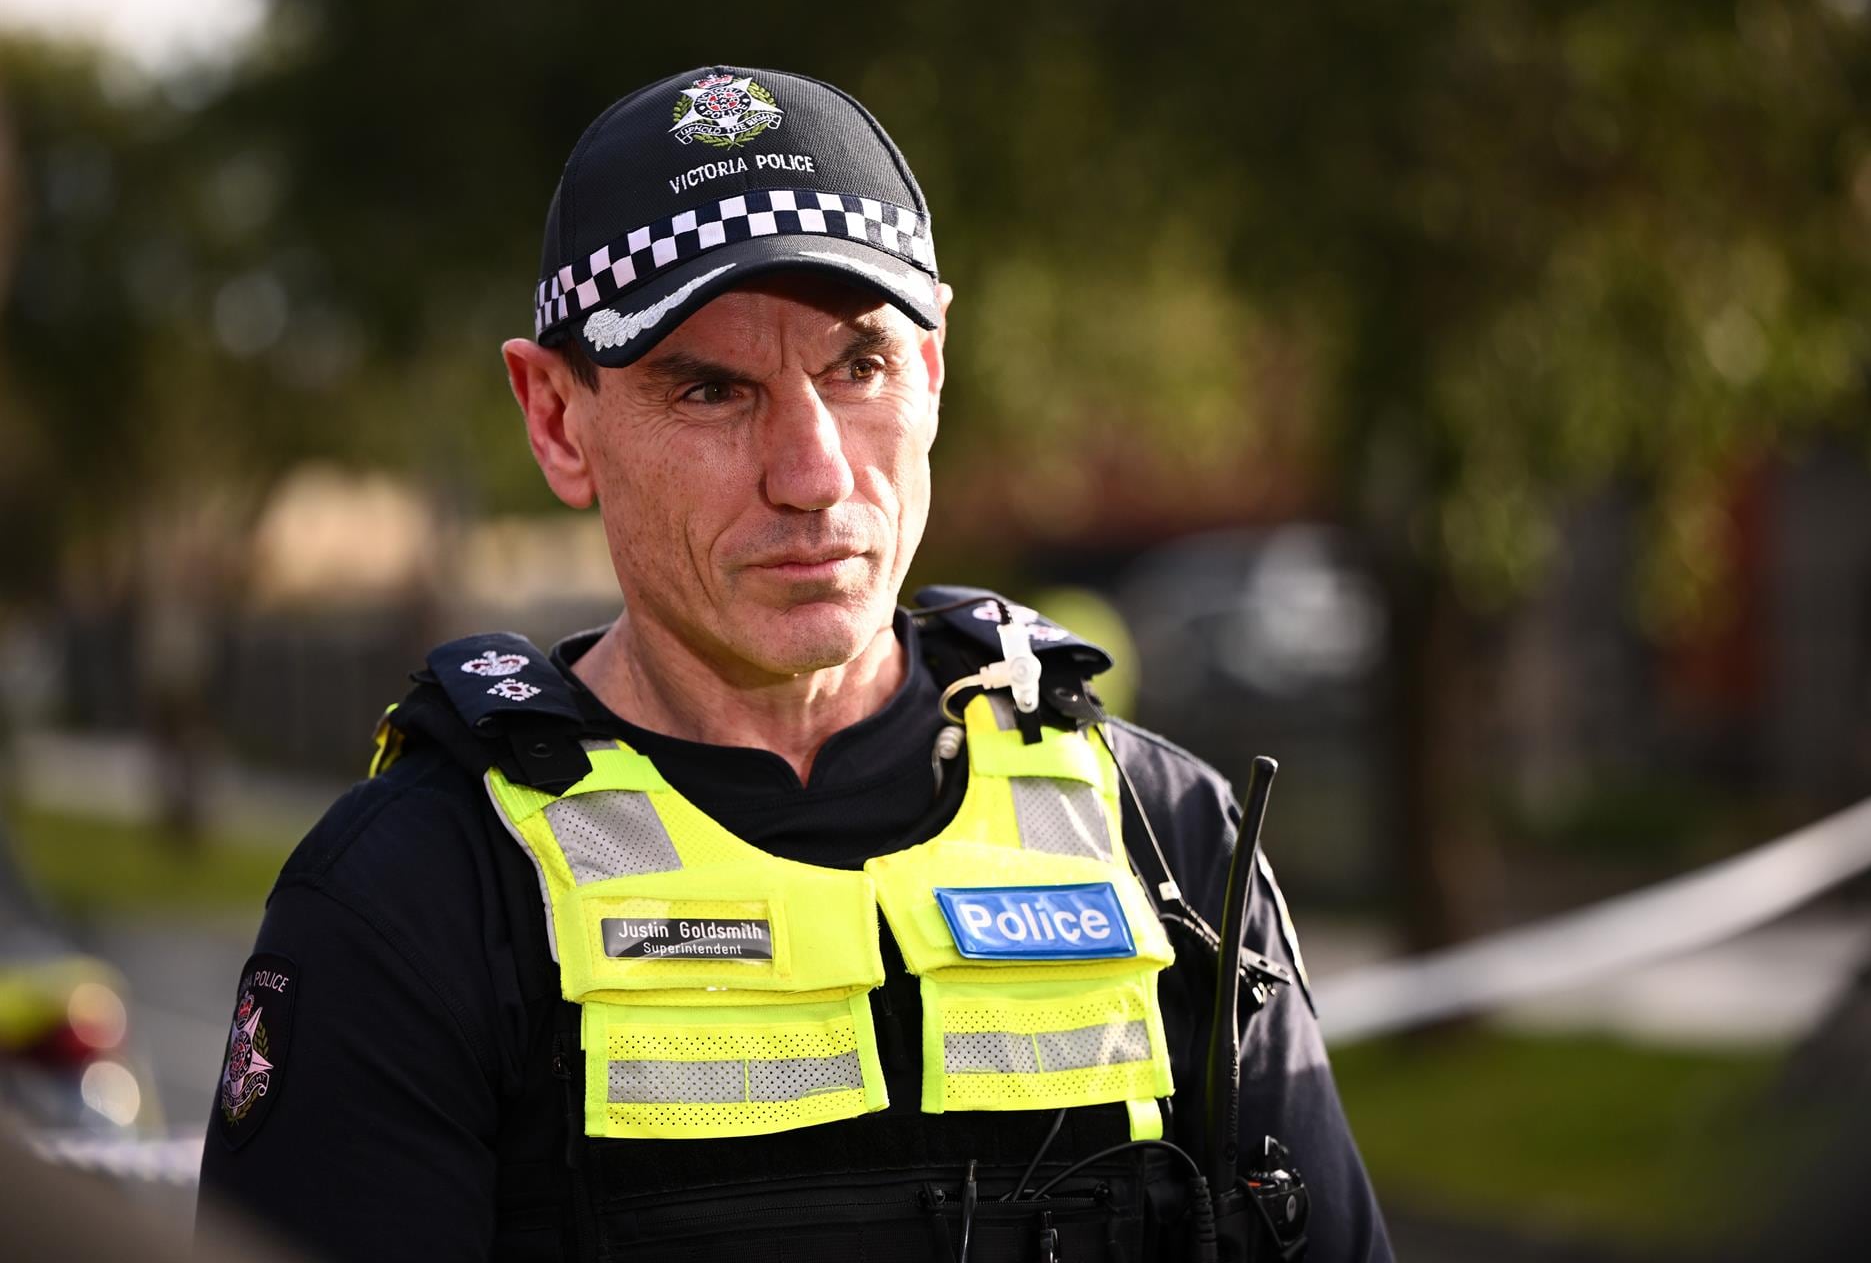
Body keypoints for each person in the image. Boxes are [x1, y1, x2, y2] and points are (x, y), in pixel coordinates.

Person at [196, 65, 1394, 1262]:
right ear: (560, 417)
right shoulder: (415, 894)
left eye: (857, 365)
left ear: (929, 375)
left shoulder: (1166, 833)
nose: (812, 473)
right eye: (712, 389)